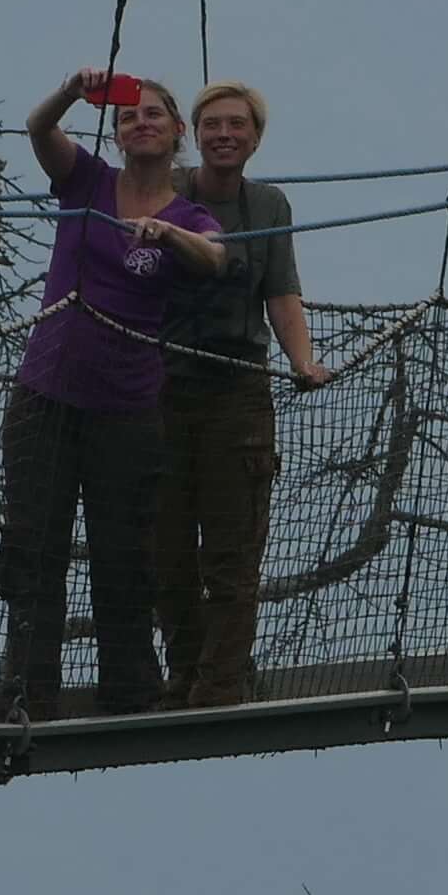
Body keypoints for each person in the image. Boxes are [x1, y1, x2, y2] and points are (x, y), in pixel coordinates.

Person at [0, 64, 226, 716]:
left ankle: (130, 691)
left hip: (126, 408)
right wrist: (73, 91)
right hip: (47, 395)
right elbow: (38, 129)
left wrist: (169, 234)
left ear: (178, 131)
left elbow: (215, 256)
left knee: (124, 554)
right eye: (129, 116)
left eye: (154, 114)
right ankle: (26, 691)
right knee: (31, 547)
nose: (141, 122)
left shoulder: (191, 213)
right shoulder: (87, 181)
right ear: (118, 132)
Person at [150, 77, 328, 711]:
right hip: (161, 389)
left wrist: (303, 362)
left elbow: (281, 292)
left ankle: (221, 681)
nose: (224, 135)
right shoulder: (164, 193)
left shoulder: (268, 206)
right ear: (193, 136)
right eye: (212, 125)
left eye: (237, 125)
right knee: (166, 548)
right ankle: (182, 672)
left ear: (255, 136)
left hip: (237, 392)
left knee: (231, 550)